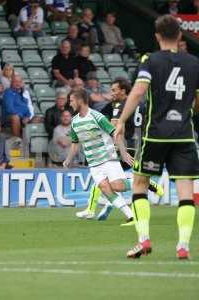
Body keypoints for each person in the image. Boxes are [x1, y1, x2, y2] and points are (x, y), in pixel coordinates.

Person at [114, 15, 199, 259]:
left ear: (157, 36)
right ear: (180, 35)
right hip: (184, 135)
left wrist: (121, 120)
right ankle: (183, 245)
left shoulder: (150, 60)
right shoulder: (194, 63)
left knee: (140, 185)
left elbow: (139, 90)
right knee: (185, 191)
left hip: (156, 135)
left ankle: (143, 239)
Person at [63, 88, 135, 226]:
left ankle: (142, 182)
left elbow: (116, 134)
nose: (70, 104)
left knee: (117, 186)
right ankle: (131, 216)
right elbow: (75, 143)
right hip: (93, 163)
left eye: (72, 101)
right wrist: (68, 159)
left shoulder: (97, 117)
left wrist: (124, 153)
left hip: (108, 158)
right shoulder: (74, 122)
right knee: (105, 188)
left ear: (80, 100)